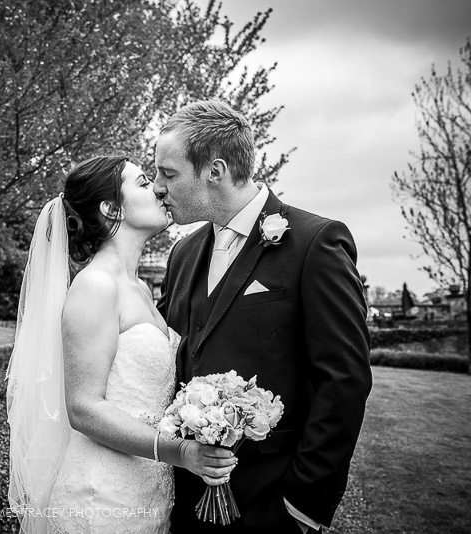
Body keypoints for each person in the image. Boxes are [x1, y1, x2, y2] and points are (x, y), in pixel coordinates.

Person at [153, 100, 373, 533]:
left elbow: (344, 378)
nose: (157, 186)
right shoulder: (182, 253)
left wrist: (302, 505)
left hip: (271, 503)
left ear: (214, 171)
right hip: (182, 496)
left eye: (168, 173)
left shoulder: (315, 243)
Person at [6, 155, 237, 534]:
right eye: (144, 182)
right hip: (102, 497)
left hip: (149, 489)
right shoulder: (96, 287)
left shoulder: (142, 289)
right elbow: (83, 408)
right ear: (112, 208)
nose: (160, 189)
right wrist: (179, 452)